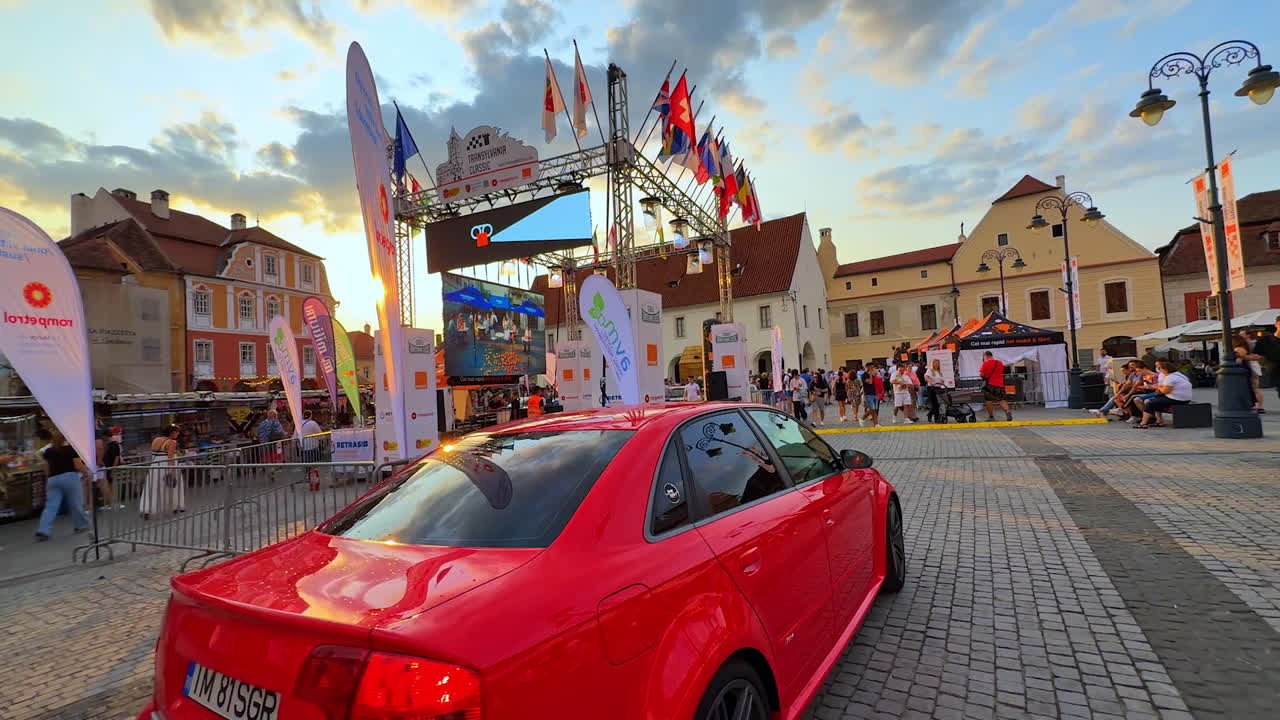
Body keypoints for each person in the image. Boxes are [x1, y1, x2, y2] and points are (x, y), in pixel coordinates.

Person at [34, 432, 92, 541]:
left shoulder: (49, 451)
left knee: (51, 506)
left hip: (53, 479)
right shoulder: (70, 449)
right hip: (69, 477)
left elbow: (45, 465)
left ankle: (43, 530)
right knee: (76, 503)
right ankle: (81, 525)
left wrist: (49, 477)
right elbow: (78, 464)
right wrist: (85, 473)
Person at [140, 424, 185, 520]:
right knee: (169, 488)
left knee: (152, 488)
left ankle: (147, 509)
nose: (178, 433)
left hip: (155, 467)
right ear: (172, 432)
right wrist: (173, 473)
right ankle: (173, 506)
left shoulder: (155, 440)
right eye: (177, 431)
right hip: (166, 468)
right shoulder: (172, 442)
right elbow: (171, 459)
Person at [1134, 361, 1193, 428]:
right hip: (1185, 398)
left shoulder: (1170, 377)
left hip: (1177, 399)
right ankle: (1159, 421)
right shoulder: (1179, 375)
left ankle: (1143, 423)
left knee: (1150, 403)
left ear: (1166, 369)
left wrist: (1157, 387)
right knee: (1157, 399)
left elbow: (1165, 391)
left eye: (1160, 369)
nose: (1160, 371)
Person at [1233, 334, 1265, 413]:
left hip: (1249, 369)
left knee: (1253, 388)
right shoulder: (1246, 345)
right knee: (1255, 389)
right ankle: (1259, 406)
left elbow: (1256, 356)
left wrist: (1242, 357)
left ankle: (1258, 406)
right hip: (1252, 369)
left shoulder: (1239, 348)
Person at [979, 351, 1013, 422]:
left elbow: (982, 374)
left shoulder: (985, 364)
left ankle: (991, 417)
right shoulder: (1000, 363)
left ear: (986, 356)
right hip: (1000, 384)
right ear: (992, 355)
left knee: (989, 401)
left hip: (990, 385)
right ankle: (1007, 411)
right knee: (1001, 399)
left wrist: (985, 377)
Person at [925, 359, 947, 423]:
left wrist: (942, 382)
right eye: (935, 363)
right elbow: (926, 377)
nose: (937, 364)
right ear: (933, 364)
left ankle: (930, 414)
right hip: (931, 388)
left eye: (938, 363)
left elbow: (942, 379)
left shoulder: (939, 371)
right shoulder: (930, 370)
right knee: (935, 404)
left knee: (938, 404)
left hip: (938, 388)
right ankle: (936, 419)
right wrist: (930, 381)